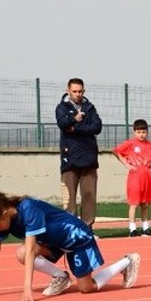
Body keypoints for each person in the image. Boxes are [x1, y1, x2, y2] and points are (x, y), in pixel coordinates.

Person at [0, 191, 140, 301]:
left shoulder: (28, 209)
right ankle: (61, 277)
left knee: (86, 288)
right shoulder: (5, 219)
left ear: (5, 213)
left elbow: (30, 251)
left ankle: (127, 261)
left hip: (75, 238)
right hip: (54, 242)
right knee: (19, 253)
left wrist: (27, 289)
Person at [55, 77, 103, 227]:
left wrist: (76, 129)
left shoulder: (90, 108)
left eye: (80, 91)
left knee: (89, 195)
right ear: (68, 91)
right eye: (74, 91)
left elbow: (97, 127)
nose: (77, 94)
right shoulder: (61, 107)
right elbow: (63, 124)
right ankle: (70, 229)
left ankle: (87, 229)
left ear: (84, 91)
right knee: (69, 197)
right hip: (70, 158)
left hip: (89, 157)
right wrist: (74, 119)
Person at [112, 119, 151, 237]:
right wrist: (126, 164)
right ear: (134, 132)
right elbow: (117, 151)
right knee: (134, 202)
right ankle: (132, 228)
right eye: (139, 132)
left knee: (145, 203)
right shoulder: (130, 143)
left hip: (147, 177)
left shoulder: (150, 145)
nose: (141, 134)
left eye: (144, 132)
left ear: (147, 132)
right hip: (135, 176)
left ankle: (145, 227)